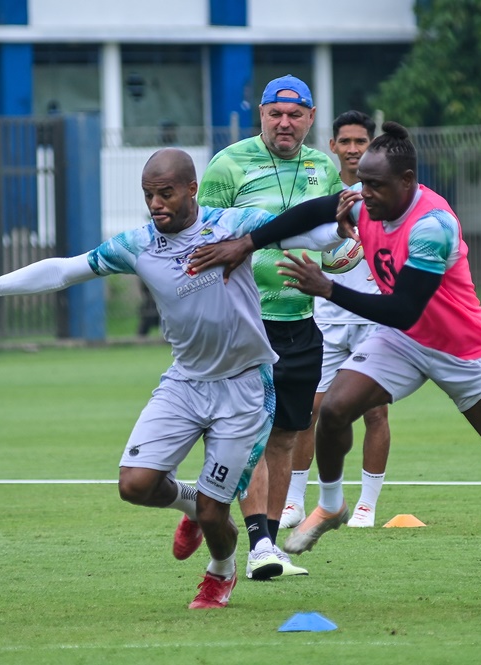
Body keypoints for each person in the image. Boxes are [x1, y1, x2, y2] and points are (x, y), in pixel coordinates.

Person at [187, 122, 481, 613]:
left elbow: (405, 308)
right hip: (403, 343)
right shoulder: (366, 203)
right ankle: (331, 504)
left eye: (376, 185)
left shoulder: (432, 225)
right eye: (361, 184)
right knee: (335, 408)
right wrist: (247, 243)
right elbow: (306, 212)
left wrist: (327, 289)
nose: (364, 195)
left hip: (460, 348)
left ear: (408, 180)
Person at [0, 148, 347, 609]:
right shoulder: (138, 245)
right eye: (149, 195)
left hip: (244, 387)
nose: (156, 204)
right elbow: (65, 269)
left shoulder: (232, 225)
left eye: (166, 193)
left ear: (192, 189)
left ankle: (221, 571)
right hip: (185, 383)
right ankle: (191, 503)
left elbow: (305, 227)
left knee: (217, 513)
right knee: (134, 485)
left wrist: (339, 234)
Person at [190, 74, 344, 580]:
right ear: (261, 114)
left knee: (284, 437)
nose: (284, 123)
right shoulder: (228, 164)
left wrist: (344, 252)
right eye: (275, 114)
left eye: (295, 114)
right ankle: (256, 543)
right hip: (244, 324)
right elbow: (201, 240)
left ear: (310, 118)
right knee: (252, 434)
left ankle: (264, 542)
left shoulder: (324, 166)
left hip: (301, 322)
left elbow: (340, 230)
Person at [282, 110, 391, 530]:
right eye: (344, 142)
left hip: (373, 318)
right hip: (326, 318)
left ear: (371, 147)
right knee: (309, 411)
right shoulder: (322, 192)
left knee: (375, 412)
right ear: (332, 146)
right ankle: (294, 500)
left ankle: (366, 504)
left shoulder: (382, 195)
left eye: (359, 142)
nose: (351, 149)